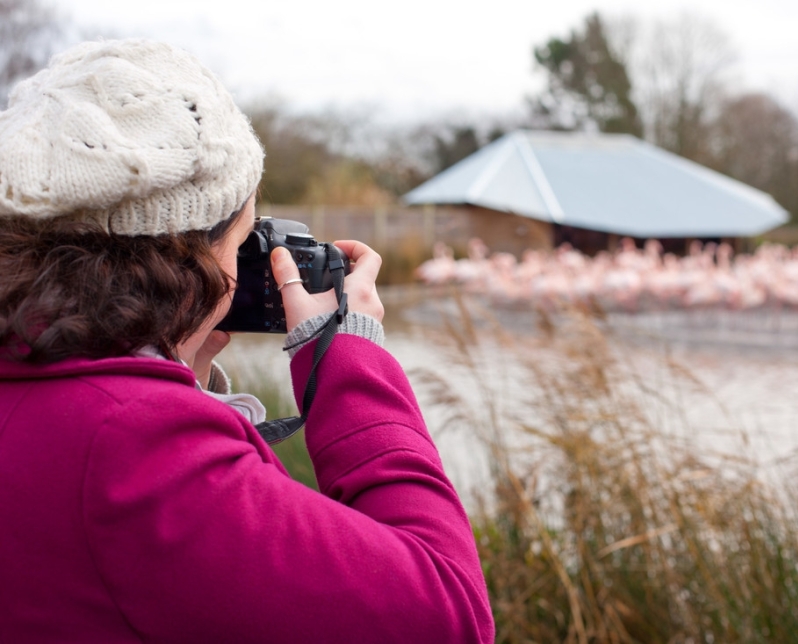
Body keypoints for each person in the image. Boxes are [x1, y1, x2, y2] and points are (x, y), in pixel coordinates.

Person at [0, 39, 494, 643]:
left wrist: (184, 372)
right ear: (194, 255)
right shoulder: (137, 447)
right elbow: (448, 615)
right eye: (242, 239)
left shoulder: (42, 380)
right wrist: (348, 351)